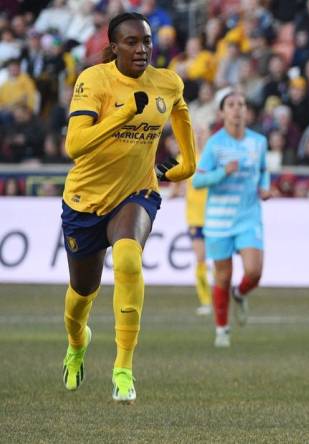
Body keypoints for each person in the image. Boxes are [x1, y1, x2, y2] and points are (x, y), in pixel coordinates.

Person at [60, 12, 196, 404]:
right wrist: (122, 115)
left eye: (147, 42)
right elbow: (75, 145)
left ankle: (123, 369)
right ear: (114, 46)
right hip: (85, 201)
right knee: (81, 294)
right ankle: (77, 342)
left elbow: (181, 113)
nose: (142, 49)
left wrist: (188, 163)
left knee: (128, 260)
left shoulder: (166, 81)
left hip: (137, 191)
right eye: (132, 42)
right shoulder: (94, 80)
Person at [192, 91, 271, 348]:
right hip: (218, 221)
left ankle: (241, 292)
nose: (237, 109)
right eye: (231, 105)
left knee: (254, 271)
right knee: (223, 277)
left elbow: (263, 171)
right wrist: (222, 173)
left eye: (241, 105)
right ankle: (222, 330)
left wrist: (265, 187)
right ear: (222, 113)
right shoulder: (215, 144)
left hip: (248, 216)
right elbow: (198, 180)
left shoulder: (258, 142)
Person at [169, 126, 212, 315]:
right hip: (195, 217)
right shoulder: (184, 159)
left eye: (203, 133)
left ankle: (220, 297)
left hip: (215, 216)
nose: (200, 136)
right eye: (197, 133)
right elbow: (174, 186)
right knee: (201, 259)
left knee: (219, 260)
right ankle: (206, 301)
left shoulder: (213, 159)